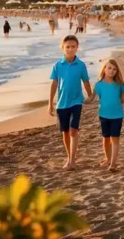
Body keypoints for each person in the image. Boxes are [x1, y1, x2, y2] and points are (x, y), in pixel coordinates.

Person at [49, 35, 93, 170]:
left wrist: (90, 96)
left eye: (73, 46)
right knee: (65, 132)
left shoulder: (80, 65)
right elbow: (54, 84)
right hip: (62, 104)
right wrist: (50, 103)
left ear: (77, 48)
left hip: (76, 102)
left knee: (74, 130)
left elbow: (85, 81)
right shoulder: (57, 65)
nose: (70, 49)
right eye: (67, 47)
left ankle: (72, 160)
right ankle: (69, 157)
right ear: (63, 48)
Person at [86, 58, 124, 172]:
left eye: (114, 69)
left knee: (115, 139)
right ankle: (108, 158)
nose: (112, 71)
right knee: (106, 139)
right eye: (109, 68)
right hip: (103, 116)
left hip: (117, 116)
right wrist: (79, 100)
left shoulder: (119, 85)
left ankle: (113, 163)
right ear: (104, 69)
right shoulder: (98, 85)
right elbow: (91, 99)